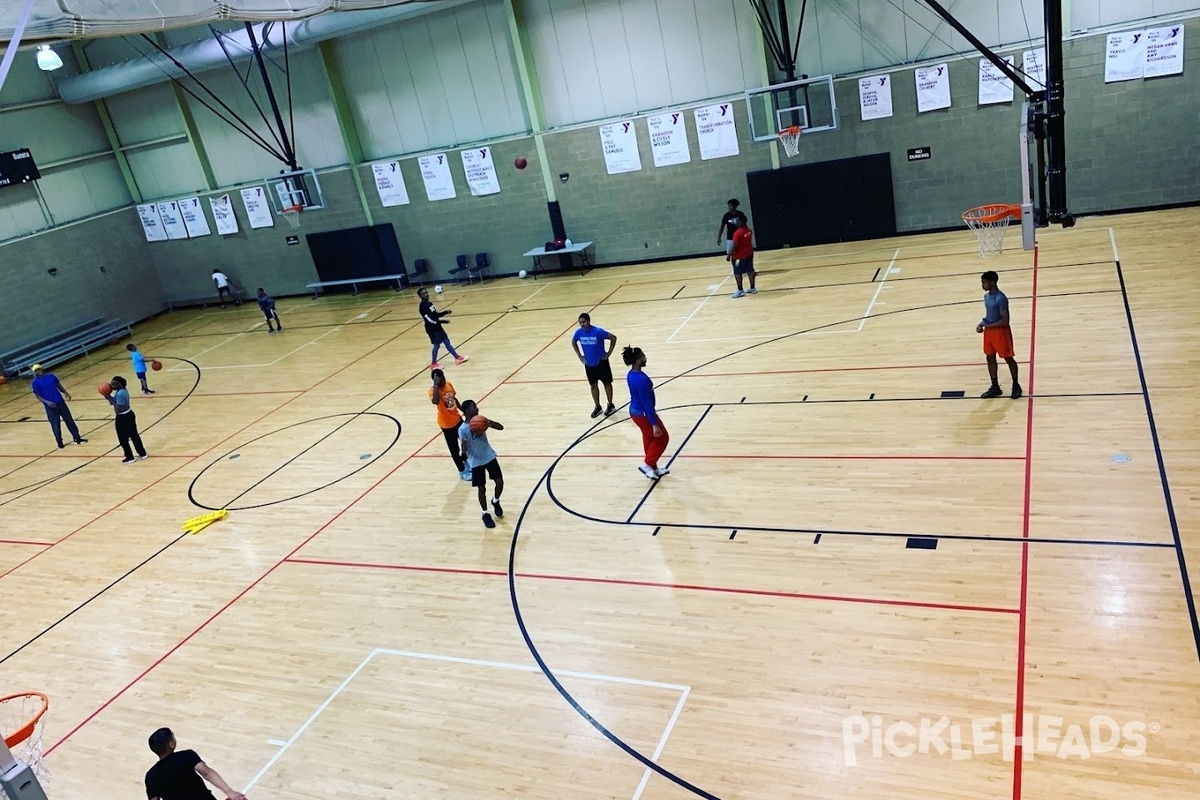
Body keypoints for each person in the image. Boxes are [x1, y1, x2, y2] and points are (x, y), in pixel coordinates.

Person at [145, 727, 247, 800]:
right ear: (171, 744)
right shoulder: (186, 755)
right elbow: (207, 773)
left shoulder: (150, 776)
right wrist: (229, 792)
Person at [623, 345, 669, 479]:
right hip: (643, 414)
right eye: (643, 356)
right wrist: (654, 423)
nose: (645, 358)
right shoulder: (641, 380)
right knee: (662, 438)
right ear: (637, 360)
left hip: (636, 412)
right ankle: (648, 464)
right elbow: (646, 403)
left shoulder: (631, 374)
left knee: (649, 438)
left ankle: (653, 467)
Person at [458, 399, 504, 529]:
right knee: (481, 489)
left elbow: (501, 427)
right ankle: (485, 513)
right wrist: (463, 452)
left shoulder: (482, 420)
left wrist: (490, 423)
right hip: (476, 461)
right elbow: (464, 447)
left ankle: (495, 501)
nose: (477, 409)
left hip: (489, 456)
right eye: (474, 407)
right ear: (467, 410)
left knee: (500, 482)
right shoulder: (463, 429)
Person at [976, 270, 1022, 399]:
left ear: (992, 282)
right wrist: (981, 324)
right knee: (990, 358)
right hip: (989, 332)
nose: (982, 285)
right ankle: (995, 386)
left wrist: (988, 326)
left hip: (1001, 332)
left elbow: (1005, 320)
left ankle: (1016, 385)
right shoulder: (987, 297)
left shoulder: (1001, 298)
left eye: (984, 282)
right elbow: (990, 316)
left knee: (1008, 358)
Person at [571, 313, 618, 418]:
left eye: (584, 322)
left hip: (602, 363)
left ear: (589, 321)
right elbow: (573, 342)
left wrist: (609, 353)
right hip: (589, 365)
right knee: (593, 386)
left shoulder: (598, 332)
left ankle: (610, 405)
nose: (582, 324)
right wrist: (580, 356)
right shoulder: (578, 333)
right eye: (580, 323)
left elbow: (613, 338)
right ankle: (598, 407)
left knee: (607, 384)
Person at [30, 364, 87, 448]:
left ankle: (77, 438)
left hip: (60, 402)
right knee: (56, 424)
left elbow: (58, 385)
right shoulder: (35, 383)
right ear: (35, 373)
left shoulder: (51, 376)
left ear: (42, 369)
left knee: (69, 420)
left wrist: (65, 392)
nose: (39, 371)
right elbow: (38, 395)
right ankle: (59, 442)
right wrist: (47, 402)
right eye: (36, 370)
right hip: (50, 407)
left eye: (39, 369)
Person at [430, 368, 470, 481]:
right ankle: (462, 471)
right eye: (439, 380)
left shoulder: (448, 384)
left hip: (457, 419)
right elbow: (435, 401)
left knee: (465, 443)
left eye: (443, 379)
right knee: (454, 449)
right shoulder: (433, 391)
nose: (442, 381)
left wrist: (463, 410)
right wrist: (436, 386)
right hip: (447, 425)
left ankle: (466, 461)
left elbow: (454, 398)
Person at [418, 287, 468, 370]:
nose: (426, 295)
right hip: (432, 330)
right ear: (420, 296)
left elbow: (435, 315)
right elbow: (429, 320)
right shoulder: (422, 307)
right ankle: (433, 363)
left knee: (447, 341)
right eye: (423, 294)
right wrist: (442, 322)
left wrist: (446, 312)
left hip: (438, 327)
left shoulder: (430, 303)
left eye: (426, 293)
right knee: (436, 346)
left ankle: (457, 358)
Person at [102, 376, 147, 463]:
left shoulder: (120, 394)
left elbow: (119, 407)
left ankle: (130, 457)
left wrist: (109, 397)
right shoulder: (122, 391)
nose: (112, 386)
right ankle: (142, 453)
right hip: (129, 414)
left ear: (120, 384)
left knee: (123, 438)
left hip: (123, 417)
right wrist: (109, 397)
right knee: (134, 435)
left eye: (114, 384)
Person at [730, 217, 757, 298]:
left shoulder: (737, 233)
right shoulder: (749, 230)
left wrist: (729, 255)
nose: (736, 222)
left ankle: (740, 290)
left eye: (737, 221)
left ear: (741, 222)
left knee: (737, 273)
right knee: (750, 270)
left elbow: (735, 245)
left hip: (739, 257)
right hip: (749, 253)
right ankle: (753, 288)